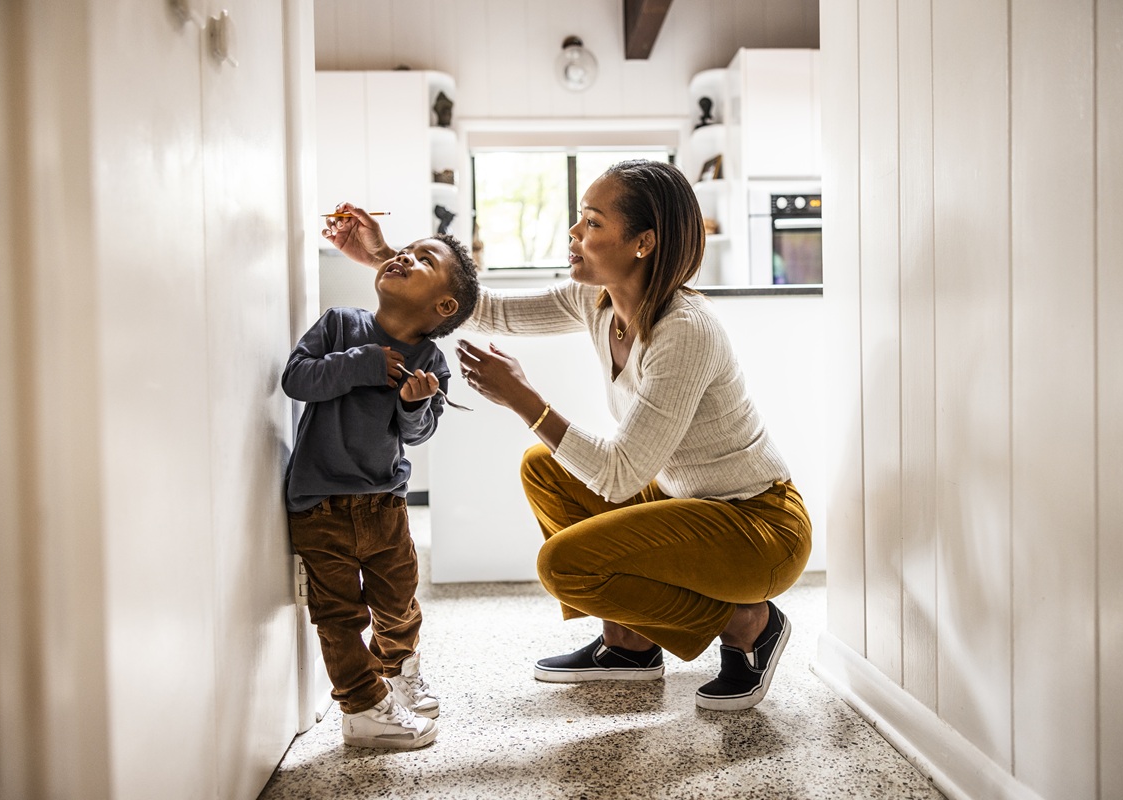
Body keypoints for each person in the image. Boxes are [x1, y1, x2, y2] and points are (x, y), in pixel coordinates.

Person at [331, 160, 812, 712]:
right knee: (545, 468)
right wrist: (382, 256)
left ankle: (749, 622)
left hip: (758, 528)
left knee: (566, 566)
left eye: (592, 222)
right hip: (690, 504)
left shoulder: (685, 331)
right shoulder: (599, 300)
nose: (574, 234)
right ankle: (630, 644)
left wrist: (523, 399)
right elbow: (485, 309)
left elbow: (620, 473)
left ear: (643, 243)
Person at [283, 206, 479, 749]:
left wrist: (414, 404)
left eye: (421, 259)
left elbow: (417, 434)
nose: (400, 255)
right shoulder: (340, 324)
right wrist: (363, 363)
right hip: (319, 505)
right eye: (403, 250)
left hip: (385, 506)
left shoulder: (432, 362)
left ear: (442, 306)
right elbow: (296, 379)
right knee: (338, 615)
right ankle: (363, 708)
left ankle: (395, 674)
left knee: (398, 602)